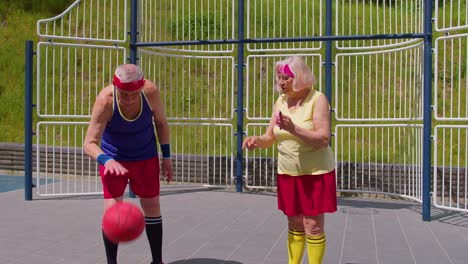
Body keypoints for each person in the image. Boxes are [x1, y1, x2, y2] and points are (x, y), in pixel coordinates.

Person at [242, 56, 337, 264]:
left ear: (300, 78)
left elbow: (323, 139)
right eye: (279, 78)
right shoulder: (281, 102)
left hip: (314, 174)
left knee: (312, 225)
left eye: (286, 78)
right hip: (287, 173)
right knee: (294, 223)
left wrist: (294, 128)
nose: (281, 83)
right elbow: (270, 137)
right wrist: (256, 140)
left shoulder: (317, 99)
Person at [84, 63, 173, 264]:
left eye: (134, 95)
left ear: (141, 88)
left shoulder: (150, 92)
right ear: (116, 87)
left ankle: (157, 261)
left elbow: (161, 123)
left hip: (145, 156)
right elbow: (89, 143)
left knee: (152, 204)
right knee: (113, 213)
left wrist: (166, 157)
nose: (129, 99)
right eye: (124, 94)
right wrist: (107, 161)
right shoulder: (105, 101)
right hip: (114, 158)